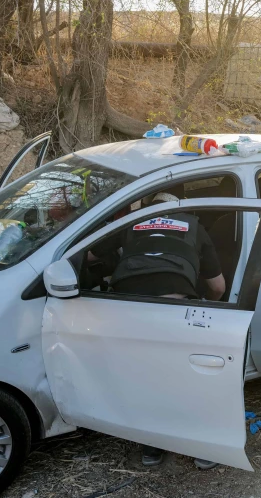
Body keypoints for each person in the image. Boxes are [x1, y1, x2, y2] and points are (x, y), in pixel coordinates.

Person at [94, 191, 226, 468]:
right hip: (174, 305)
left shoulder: (131, 223)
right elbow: (217, 287)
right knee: (189, 374)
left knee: (146, 374)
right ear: (180, 208)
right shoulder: (194, 226)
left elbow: (90, 252)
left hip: (127, 305)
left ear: (148, 208)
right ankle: (203, 447)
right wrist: (205, 307)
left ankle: (152, 447)